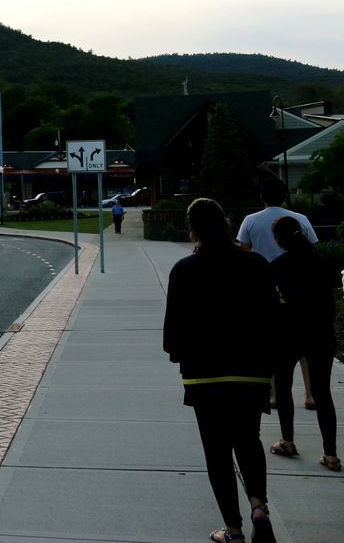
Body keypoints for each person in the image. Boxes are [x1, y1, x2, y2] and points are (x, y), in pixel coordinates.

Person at [164, 198, 278, 543]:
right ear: (227, 224)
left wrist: (180, 354)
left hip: (205, 376)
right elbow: (273, 319)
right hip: (250, 373)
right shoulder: (256, 264)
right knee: (248, 441)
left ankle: (234, 530)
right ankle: (259, 506)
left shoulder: (183, 270)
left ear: (193, 228)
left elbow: (172, 335)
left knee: (217, 452)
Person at [237, 177, 319, 410]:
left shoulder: (250, 220)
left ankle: (273, 394)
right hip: (298, 287)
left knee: (270, 345)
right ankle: (310, 394)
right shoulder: (300, 219)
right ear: (285, 196)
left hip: (263, 287)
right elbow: (313, 247)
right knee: (303, 345)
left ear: (261, 197)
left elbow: (243, 250)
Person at [267, 215, 340, 472]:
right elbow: (332, 296)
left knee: (284, 387)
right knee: (322, 393)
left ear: (278, 240)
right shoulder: (326, 264)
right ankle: (330, 454)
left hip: (288, 331)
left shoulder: (277, 266)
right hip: (321, 331)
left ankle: (288, 440)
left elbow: (271, 304)